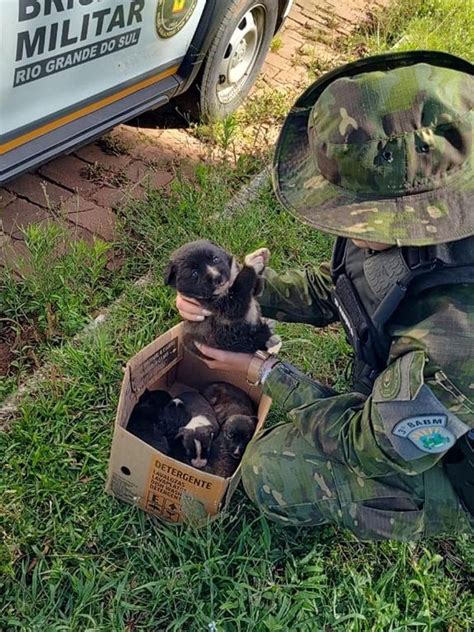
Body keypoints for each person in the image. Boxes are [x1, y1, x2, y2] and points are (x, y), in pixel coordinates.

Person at [176, 51, 474, 541]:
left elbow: (370, 445)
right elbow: (348, 285)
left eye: (359, 217)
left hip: (461, 469)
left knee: (270, 470)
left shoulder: (452, 338)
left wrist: (264, 374)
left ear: (413, 213)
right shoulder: (438, 214)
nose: (349, 232)